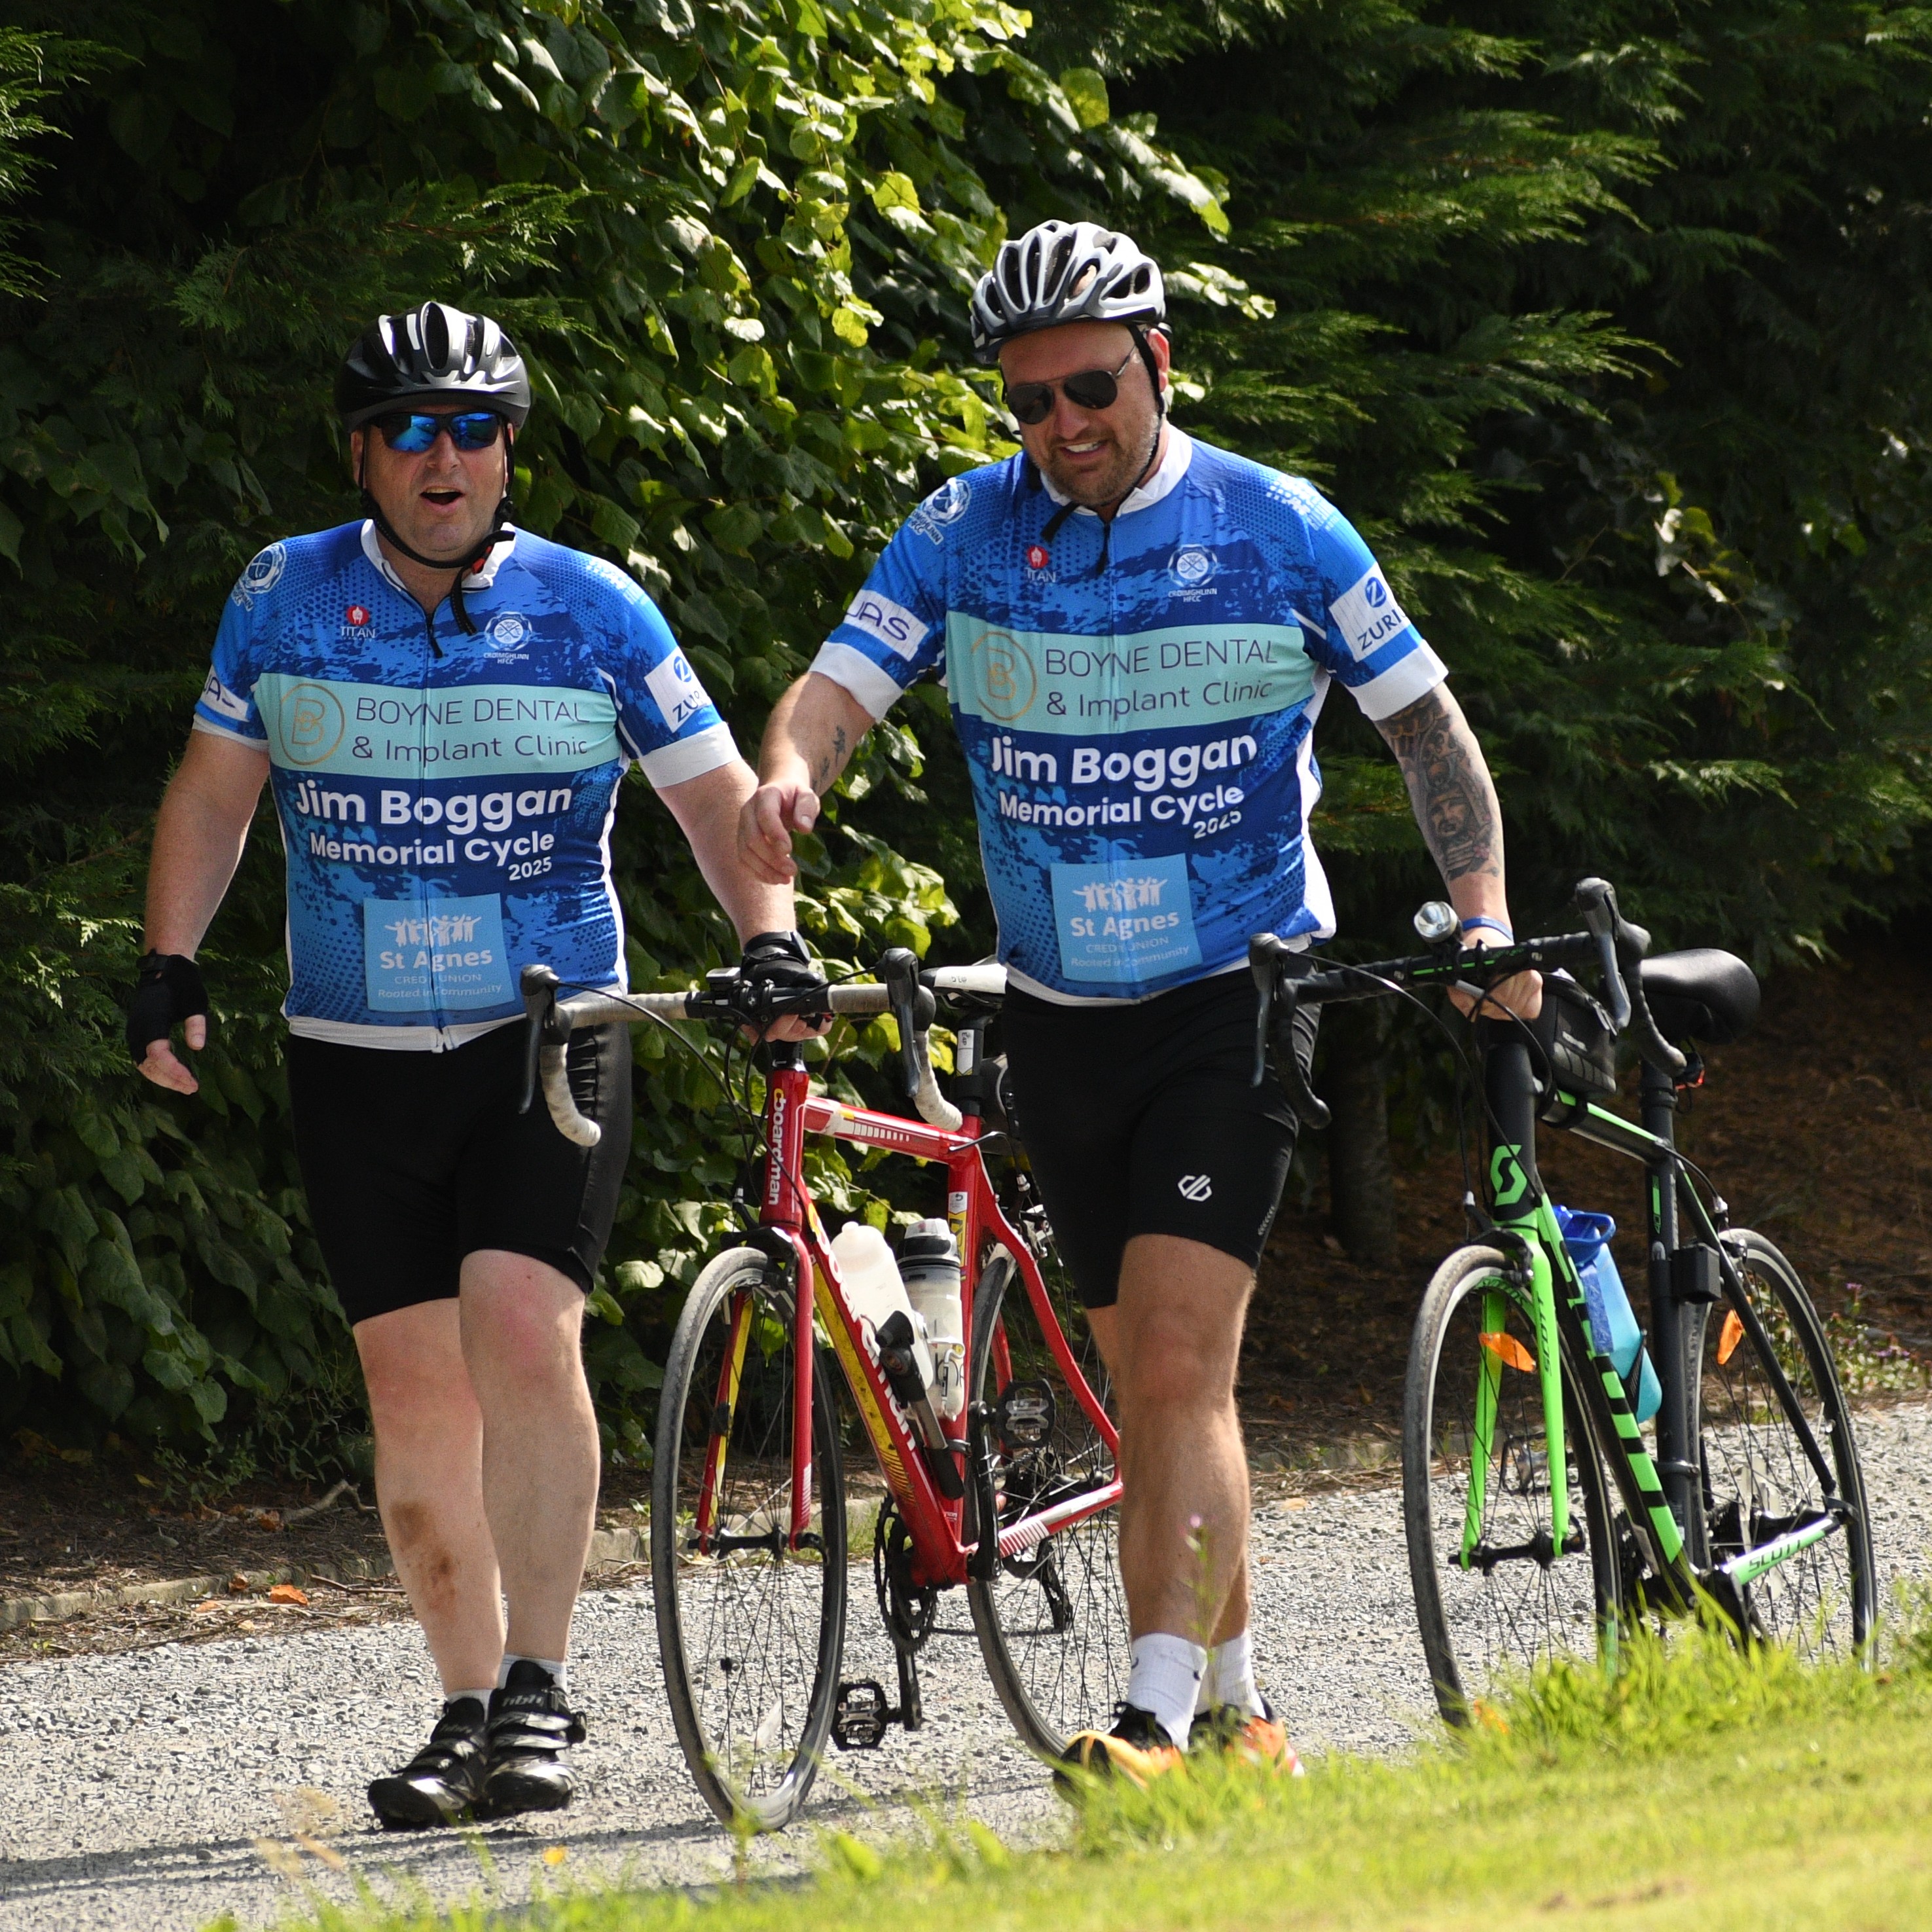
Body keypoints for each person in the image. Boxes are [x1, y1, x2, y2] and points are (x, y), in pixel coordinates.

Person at [739, 222, 1541, 1783]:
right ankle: (1242, 1714)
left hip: (1236, 992)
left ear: (1157, 364)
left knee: (1176, 1362)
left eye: (1092, 388)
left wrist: (1487, 915)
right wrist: (788, 775)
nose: (1064, 426)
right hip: (1059, 1008)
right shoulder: (964, 532)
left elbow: (1426, 731)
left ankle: (1155, 1718)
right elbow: (833, 695)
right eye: (1030, 401)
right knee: (1159, 1387)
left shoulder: (1278, 526)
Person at [130, 301, 814, 1827]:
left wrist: (768, 938)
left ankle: (539, 1687)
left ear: (509, 453)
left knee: (520, 1324)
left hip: (545, 1037)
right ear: (361, 455)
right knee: (412, 1383)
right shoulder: (282, 598)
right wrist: (170, 960)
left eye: (473, 430)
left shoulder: (594, 608)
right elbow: (216, 793)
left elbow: (713, 801)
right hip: (353, 1046)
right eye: (409, 431)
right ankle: (464, 1705)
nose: (442, 459)